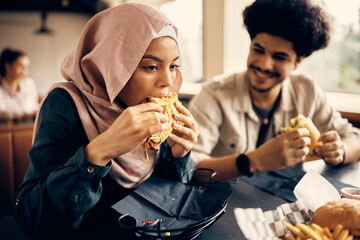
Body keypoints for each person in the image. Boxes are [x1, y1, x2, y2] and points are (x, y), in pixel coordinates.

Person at [14, 3, 199, 239]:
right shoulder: (64, 104)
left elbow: (167, 203)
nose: (167, 81)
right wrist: (99, 152)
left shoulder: (153, 110)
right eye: (151, 66)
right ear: (113, 64)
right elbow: (32, 220)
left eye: (173, 66)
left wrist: (178, 155)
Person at [188, 0, 360, 183]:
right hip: (219, 203)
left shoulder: (307, 92)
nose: (264, 64)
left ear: (297, 62)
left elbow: (354, 139)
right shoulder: (214, 94)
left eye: (279, 57)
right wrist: (250, 162)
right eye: (258, 50)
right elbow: (189, 168)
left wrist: (341, 151)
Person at [0, 48, 39, 122]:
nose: (25, 71)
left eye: (27, 67)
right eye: (21, 66)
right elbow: (2, 110)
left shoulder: (29, 83)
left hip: (28, 125)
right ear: (8, 66)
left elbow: (33, 106)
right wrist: (23, 113)